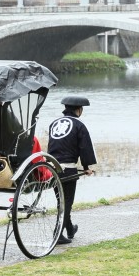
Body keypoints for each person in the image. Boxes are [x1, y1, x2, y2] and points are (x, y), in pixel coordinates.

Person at [47, 95, 97, 245]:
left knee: (61, 201)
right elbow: (84, 147)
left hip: (52, 167)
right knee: (67, 202)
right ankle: (58, 234)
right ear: (79, 110)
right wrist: (87, 167)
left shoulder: (54, 123)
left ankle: (70, 229)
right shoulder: (79, 125)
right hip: (68, 168)